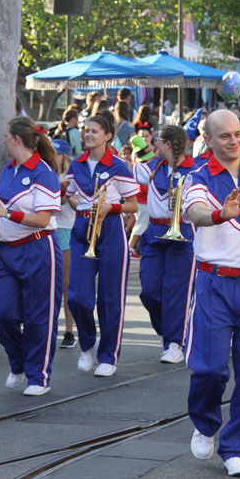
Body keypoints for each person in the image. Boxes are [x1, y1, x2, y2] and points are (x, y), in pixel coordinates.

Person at [181, 109, 240, 477]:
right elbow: (197, 213)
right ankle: (205, 423)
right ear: (210, 139)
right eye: (224, 136)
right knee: (209, 368)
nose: (234, 141)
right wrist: (222, 213)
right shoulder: (199, 175)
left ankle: (236, 447)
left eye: (237, 134)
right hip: (214, 282)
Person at [0, 117, 62, 395]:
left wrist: (6, 214)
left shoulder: (44, 173)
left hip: (38, 248)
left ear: (16, 139)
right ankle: (18, 363)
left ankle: (38, 376)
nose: (3, 140)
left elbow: (42, 219)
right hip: (6, 250)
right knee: (4, 315)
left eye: (6, 135)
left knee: (38, 317)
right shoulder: (7, 169)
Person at [65, 113, 138, 377]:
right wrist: (78, 206)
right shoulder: (78, 164)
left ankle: (108, 356)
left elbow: (134, 204)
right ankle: (87, 344)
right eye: (86, 130)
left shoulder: (118, 166)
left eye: (94, 131)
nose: (88, 134)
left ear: (108, 136)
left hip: (111, 229)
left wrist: (110, 207)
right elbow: (69, 194)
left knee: (109, 298)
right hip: (83, 229)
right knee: (77, 296)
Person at [133, 125, 194, 364]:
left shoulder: (194, 170)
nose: (154, 145)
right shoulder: (153, 166)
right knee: (150, 291)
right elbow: (127, 171)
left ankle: (174, 342)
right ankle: (168, 328)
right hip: (154, 232)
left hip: (183, 233)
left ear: (168, 144)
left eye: (158, 141)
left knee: (176, 292)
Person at [52, 140, 77, 349]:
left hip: (67, 229)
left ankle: (69, 330)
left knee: (67, 284)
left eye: (56, 153)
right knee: (49, 283)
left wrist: (65, 193)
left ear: (64, 156)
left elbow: (78, 204)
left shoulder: (72, 177)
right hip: (48, 229)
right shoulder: (44, 174)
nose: (53, 156)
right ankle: (49, 328)